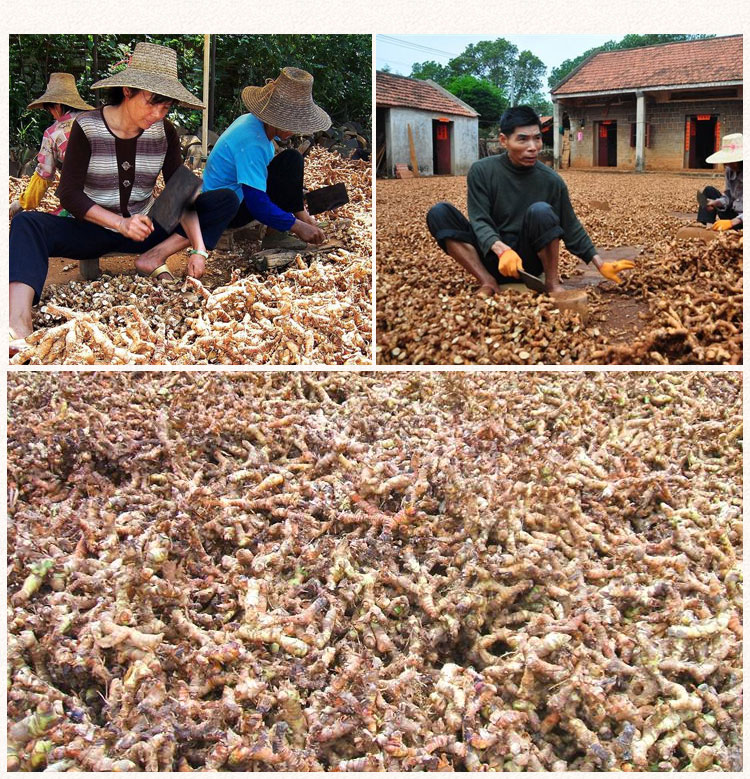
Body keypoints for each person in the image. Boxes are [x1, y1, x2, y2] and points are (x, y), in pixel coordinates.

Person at [9, 42, 238, 354]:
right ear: (128, 91)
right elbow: (69, 194)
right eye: (153, 103)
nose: (159, 114)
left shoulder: (165, 132)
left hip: (147, 231)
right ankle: (17, 323)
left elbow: (179, 190)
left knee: (223, 199)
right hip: (92, 230)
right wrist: (119, 223)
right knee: (26, 223)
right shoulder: (87, 127)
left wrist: (199, 249)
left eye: (166, 107)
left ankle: (155, 257)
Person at [426, 105, 634, 298]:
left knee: (542, 211)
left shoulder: (551, 181)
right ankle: (487, 281)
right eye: (523, 139)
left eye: (537, 138)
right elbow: (480, 220)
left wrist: (599, 263)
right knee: (439, 213)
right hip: (490, 255)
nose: (533, 147)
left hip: (528, 262)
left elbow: (570, 225)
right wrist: (501, 249)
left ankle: (552, 284)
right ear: (503, 140)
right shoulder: (482, 171)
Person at [202, 67, 331, 247]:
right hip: (224, 211)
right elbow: (257, 204)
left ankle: (298, 218)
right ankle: (276, 236)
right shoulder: (253, 141)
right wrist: (297, 227)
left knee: (291, 160)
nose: (293, 130)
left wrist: (301, 216)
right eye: (291, 124)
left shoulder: (252, 122)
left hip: (230, 198)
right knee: (290, 161)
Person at [9, 72, 94, 220]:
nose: (52, 115)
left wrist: (23, 202)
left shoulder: (53, 133)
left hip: (84, 203)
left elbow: (44, 175)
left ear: (57, 106)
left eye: (50, 109)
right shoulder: (97, 120)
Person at [697, 133, 743, 231]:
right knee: (709, 191)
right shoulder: (729, 170)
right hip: (733, 213)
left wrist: (734, 221)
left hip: (742, 220)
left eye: (733, 161)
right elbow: (728, 198)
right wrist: (715, 203)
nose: (729, 164)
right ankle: (709, 227)